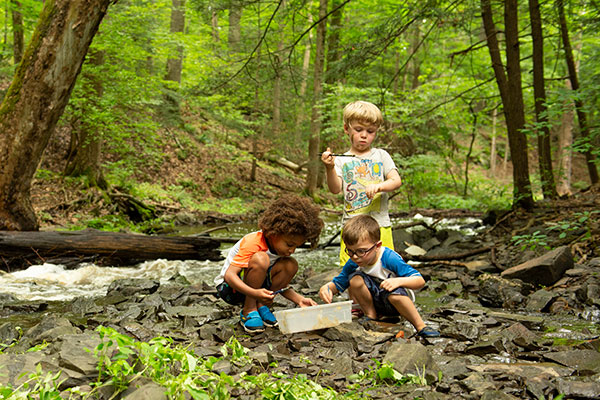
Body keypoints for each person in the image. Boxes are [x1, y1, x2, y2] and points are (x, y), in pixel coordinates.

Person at [215, 194, 324, 333]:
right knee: (261, 259)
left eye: (296, 246)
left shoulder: (279, 247)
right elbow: (230, 275)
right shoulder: (254, 242)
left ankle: (261, 306)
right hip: (230, 289)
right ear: (274, 233)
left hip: (257, 290)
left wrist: (300, 300)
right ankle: (248, 310)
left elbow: (281, 285)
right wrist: (254, 293)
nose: (292, 250)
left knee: (290, 264)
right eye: (289, 244)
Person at [318, 214, 440, 338]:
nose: (355, 256)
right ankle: (371, 316)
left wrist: (398, 281)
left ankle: (420, 326)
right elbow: (338, 283)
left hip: (396, 301)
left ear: (377, 246)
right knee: (355, 280)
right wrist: (326, 289)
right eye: (350, 251)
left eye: (361, 251)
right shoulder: (353, 262)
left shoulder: (388, 257)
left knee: (393, 294)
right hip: (375, 303)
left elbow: (419, 281)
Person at [321, 100, 402, 266]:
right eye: (358, 130)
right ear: (346, 129)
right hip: (351, 226)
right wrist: (329, 168)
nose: (364, 135)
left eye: (370, 131)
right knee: (351, 271)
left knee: (385, 267)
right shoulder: (341, 160)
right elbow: (335, 189)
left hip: (380, 225)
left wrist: (379, 186)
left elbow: (396, 181)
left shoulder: (381, 155)